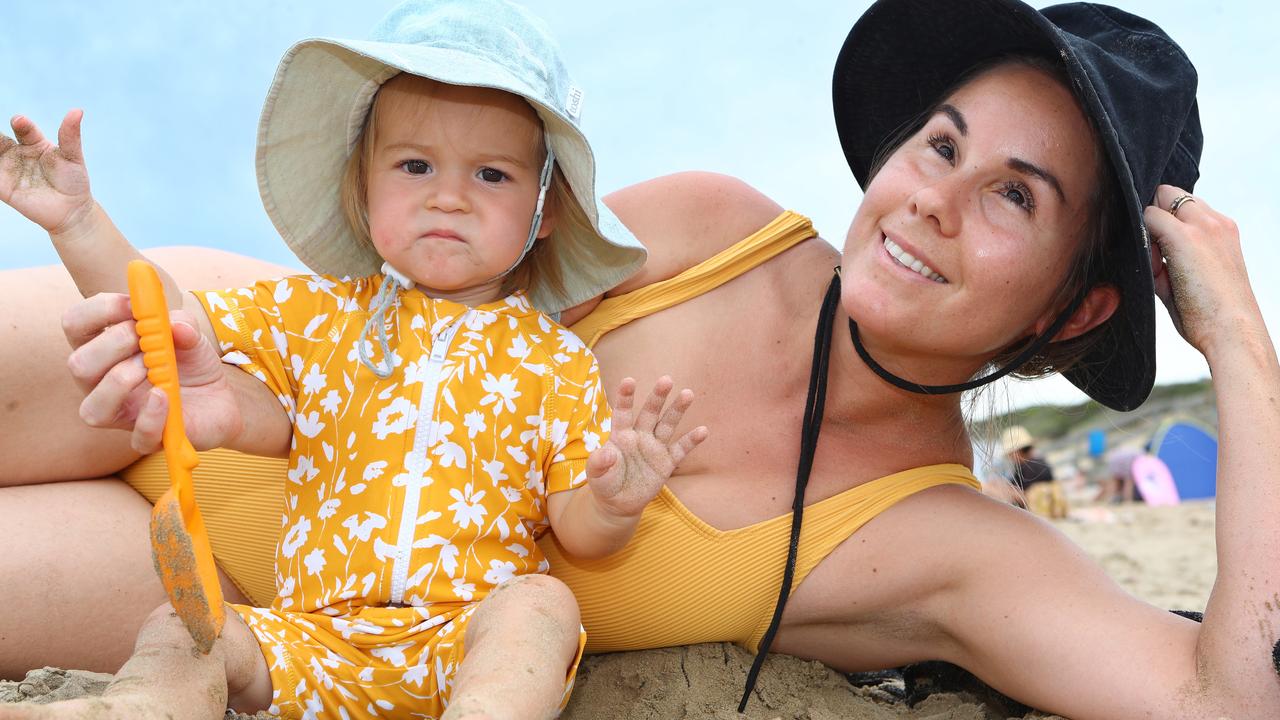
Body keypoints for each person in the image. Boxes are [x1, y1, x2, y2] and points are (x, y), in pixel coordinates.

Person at [2, 1, 1277, 718]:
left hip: (249, 611)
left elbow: (1225, 703)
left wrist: (1239, 358)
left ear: (1073, 310)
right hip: (209, 370)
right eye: (939, 146)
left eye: (1014, 197)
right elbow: (434, 302)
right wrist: (232, 389)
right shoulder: (716, 228)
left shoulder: (951, 543)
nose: (931, 201)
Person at [0, 1, 708, 718]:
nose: (449, 196)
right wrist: (81, 225)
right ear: (363, 186)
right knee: (190, 627)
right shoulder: (321, 315)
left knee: (543, 603)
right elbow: (170, 323)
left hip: (461, 641)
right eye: (414, 165)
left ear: (544, 210)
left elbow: (577, 531)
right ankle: (134, 710)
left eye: (492, 175)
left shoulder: (555, 363)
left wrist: (615, 503)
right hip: (312, 642)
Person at [997, 426, 1068, 518]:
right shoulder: (1038, 461)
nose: (1009, 457)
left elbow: (1023, 493)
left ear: (1016, 452)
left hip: (1042, 509)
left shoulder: (1029, 467)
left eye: (1010, 454)